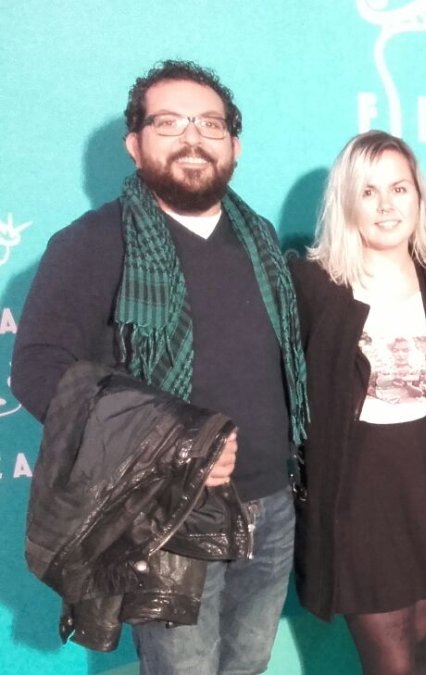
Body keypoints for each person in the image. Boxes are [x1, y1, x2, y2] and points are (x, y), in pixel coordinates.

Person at [12, 60, 307, 674]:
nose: (192, 137)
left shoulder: (261, 239)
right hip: (167, 514)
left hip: (273, 505)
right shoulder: (93, 242)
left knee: (249, 665)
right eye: (169, 122)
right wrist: (175, 442)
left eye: (210, 123)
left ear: (234, 145)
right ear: (135, 143)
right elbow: (39, 369)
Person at [289, 131, 426, 675]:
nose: (385, 205)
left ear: (418, 196)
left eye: (399, 188)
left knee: (420, 644)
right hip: (358, 490)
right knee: (390, 661)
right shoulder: (313, 285)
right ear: (347, 201)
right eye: (369, 191)